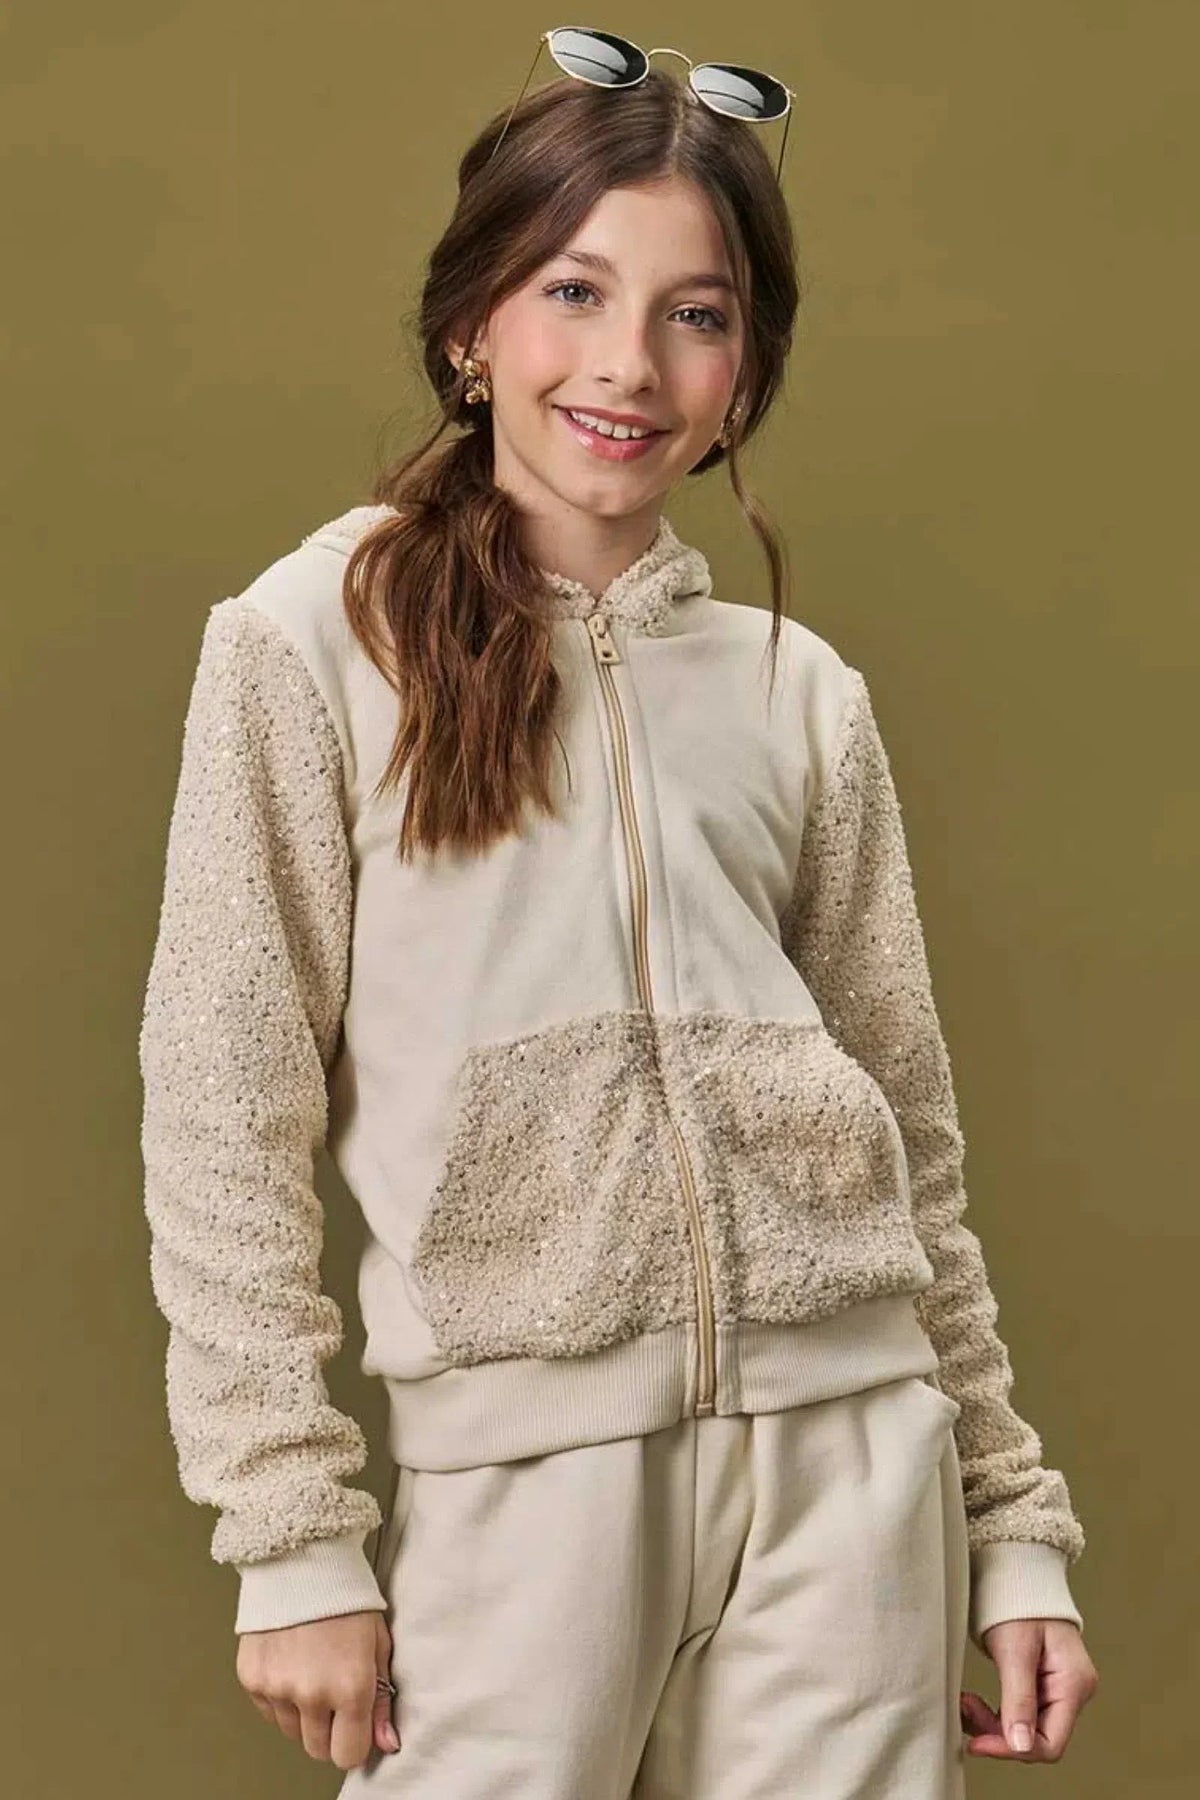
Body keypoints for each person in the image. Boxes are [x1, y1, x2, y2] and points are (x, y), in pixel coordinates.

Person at [137, 38, 1099, 1798]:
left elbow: (910, 1137)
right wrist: (290, 1535)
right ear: (472, 323)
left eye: (696, 315)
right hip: (526, 1475)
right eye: (574, 289)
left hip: (854, 1471)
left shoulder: (798, 693)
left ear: (747, 372)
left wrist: (1009, 1520)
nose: (630, 364)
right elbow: (223, 1107)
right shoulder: (311, 643)